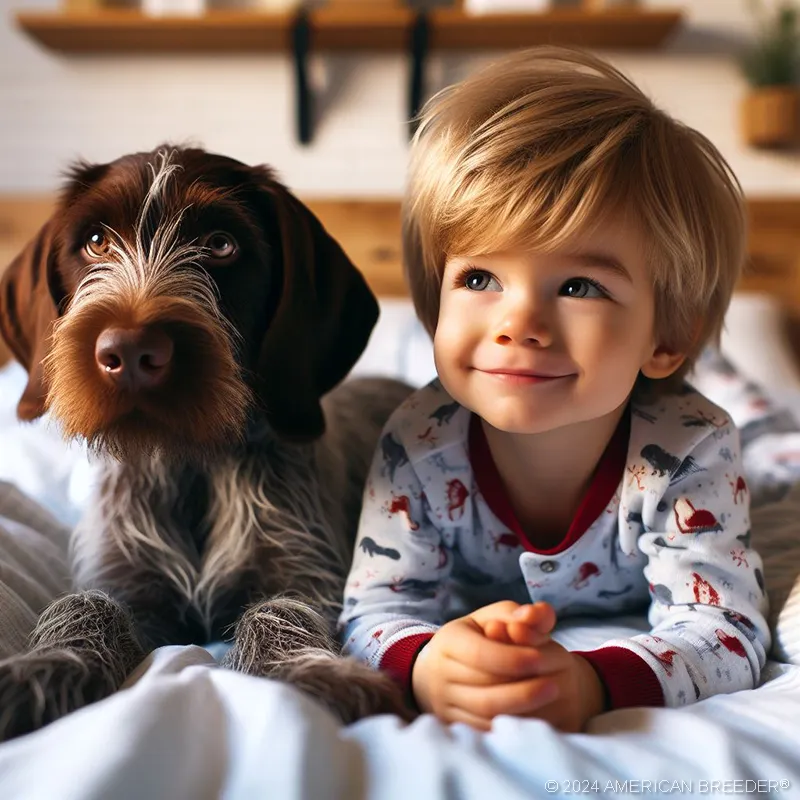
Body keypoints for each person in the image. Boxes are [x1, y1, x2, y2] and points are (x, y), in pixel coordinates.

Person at [338, 47, 769, 733]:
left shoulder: (692, 448)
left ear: (664, 338)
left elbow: (726, 629)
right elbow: (372, 613)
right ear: (433, 308)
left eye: (578, 286)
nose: (519, 324)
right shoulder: (417, 443)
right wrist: (425, 663)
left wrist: (597, 683)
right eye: (479, 278)